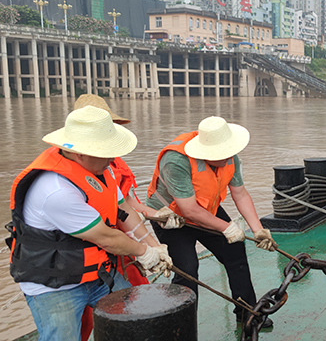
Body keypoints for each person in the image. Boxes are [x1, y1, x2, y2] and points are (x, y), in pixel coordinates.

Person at [6, 106, 173, 341]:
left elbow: (123, 210)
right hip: (55, 285)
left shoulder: (101, 171)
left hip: (98, 274)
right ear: (80, 153)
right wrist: (144, 253)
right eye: (106, 152)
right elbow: (106, 237)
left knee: (138, 318)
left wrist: (153, 245)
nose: (113, 159)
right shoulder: (56, 190)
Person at [146, 116, 278, 327]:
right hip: (171, 218)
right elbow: (189, 210)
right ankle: (183, 327)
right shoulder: (176, 161)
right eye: (221, 154)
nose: (227, 158)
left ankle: (247, 313)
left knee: (236, 253)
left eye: (228, 152)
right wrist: (227, 227)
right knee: (187, 270)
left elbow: (240, 194)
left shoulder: (230, 158)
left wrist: (258, 230)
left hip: (207, 209)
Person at [73, 94, 181, 340]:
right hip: (89, 253)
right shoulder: (62, 178)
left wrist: (156, 229)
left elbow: (125, 204)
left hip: (117, 247)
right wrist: (146, 250)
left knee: (133, 299)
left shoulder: (110, 165)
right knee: (82, 322)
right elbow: (107, 228)